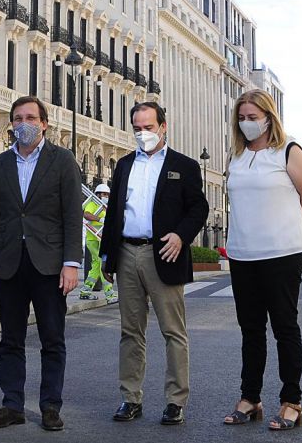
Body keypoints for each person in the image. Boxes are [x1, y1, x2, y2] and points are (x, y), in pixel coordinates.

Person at [0, 96, 81, 432]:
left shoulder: (62, 160)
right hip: (9, 263)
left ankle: (50, 406)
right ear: (12, 124)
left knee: (52, 339)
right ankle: (12, 405)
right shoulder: (2, 164)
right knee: (11, 339)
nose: (24, 124)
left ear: (44, 124)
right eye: (18, 118)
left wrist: (71, 263)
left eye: (31, 118)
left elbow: (72, 215)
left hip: (49, 265)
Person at [99, 102, 209, 427]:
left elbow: (199, 208)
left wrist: (181, 236)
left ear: (163, 126)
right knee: (130, 331)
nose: (142, 133)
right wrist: (107, 255)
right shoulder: (124, 165)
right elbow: (114, 212)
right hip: (126, 252)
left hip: (163, 253)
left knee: (173, 331)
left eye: (148, 127)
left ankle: (175, 401)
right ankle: (130, 398)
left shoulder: (184, 166)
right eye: (137, 128)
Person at [221, 90, 302, 431]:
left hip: (281, 254)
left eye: (253, 117)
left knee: (284, 328)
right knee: (251, 330)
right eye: (241, 118)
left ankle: (292, 402)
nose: (247, 123)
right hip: (242, 254)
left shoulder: (288, 150)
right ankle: (250, 399)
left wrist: (285, 227)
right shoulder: (236, 156)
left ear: (268, 117)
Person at [81, 183, 114, 301]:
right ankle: (110, 294)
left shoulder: (104, 206)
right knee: (102, 265)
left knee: (96, 265)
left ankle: (85, 290)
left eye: (108, 195)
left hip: (100, 239)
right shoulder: (93, 203)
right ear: (98, 194)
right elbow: (86, 214)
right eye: (104, 194)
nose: (106, 196)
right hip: (93, 239)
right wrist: (100, 219)